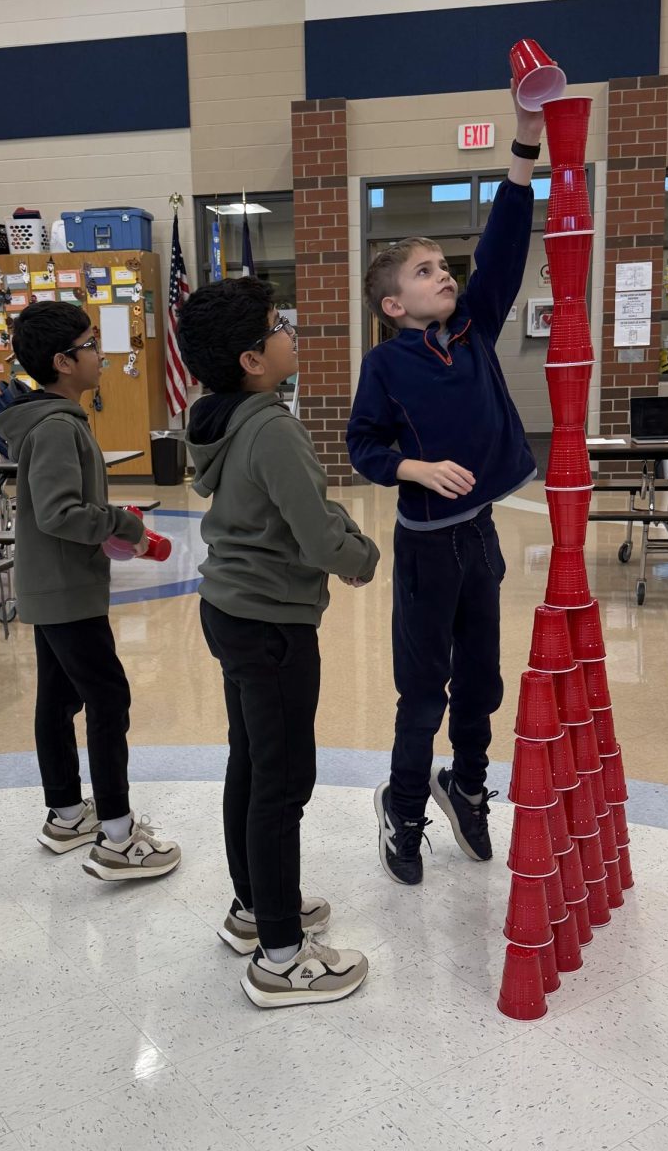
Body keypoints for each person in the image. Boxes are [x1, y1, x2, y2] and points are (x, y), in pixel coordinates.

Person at [347, 82, 543, 886]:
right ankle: (402, 805)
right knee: (423, 690)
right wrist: (414, 467)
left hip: (480, 539)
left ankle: (466, 786)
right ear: (395, 304)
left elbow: (501, 247)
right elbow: (362, 446)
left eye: (443, 267)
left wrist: (524, 144)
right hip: (427, 551)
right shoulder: (385, 364)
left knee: (484, 683)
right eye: (427, 272)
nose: (445, 276)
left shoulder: (472, 332)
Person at [178, 276, 380, 1007]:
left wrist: (334, 532)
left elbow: (297, 505)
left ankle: (256, 909)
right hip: (271, 625)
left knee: (251, 763)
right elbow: (319, 531)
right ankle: (282, 957)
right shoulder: (271, 425)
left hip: (231, 611)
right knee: (283, 781)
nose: (291, 333)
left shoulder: (222, 417)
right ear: (252, 358)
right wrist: (363, 558)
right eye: (277, 326)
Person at [0, 302, 180, 881]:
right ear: (62, 361)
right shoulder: (54, 427)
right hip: (65, 591)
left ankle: (68, 812)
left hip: (57, 587)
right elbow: (58, 513)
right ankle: (119, 838)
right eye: (91, 343)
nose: (101, 353)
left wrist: (109, 522)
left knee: (58, 697)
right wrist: (124, 525)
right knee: (107, 699)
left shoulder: (56, 420)